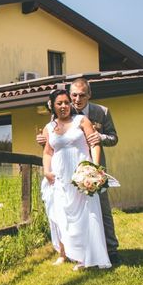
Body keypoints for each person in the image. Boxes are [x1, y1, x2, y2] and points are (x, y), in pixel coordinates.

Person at [37, 78, 120, 264]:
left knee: (101, 209)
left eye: (81, 95)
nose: (76, 99)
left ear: (89, 95)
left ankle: (111, 249)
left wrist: (99, 139)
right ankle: (72, 251)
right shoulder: (64, 110)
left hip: (90, 168)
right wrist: (43, 141)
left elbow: (114, 138)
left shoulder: (101, 112)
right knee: (68, 211)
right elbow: (53, 141)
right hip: (64, 172)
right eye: (73, 95)